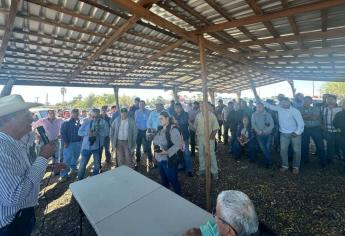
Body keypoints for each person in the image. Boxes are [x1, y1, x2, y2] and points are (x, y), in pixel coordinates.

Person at [0, 95, 64, 235]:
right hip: (10, 224)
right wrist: (42, 158)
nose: (32, 118)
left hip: (23, 215)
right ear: (7, 119)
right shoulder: (2, 148)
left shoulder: (15, 142)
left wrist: (47, 167)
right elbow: (14, 197)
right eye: (26, 114)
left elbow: (22, 173)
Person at [251, 82, 304, 174]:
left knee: (296, 150)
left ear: (289, 102)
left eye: (285, 102)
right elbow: (269, 106)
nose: (283, 104)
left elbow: (301, 124)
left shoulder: (295, 111)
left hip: (295, 134)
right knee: (283, 150)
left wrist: (297, 132)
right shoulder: (279, 108)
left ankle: (296, 166)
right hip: (283, 133)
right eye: (282, 102)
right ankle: (285, 165)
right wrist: (260, 99)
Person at [184, 190, 259, 236]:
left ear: (229, 232)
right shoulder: (246, 224)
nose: (214, 216)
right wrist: (201, 232)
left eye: (216, 214)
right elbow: (215, 229)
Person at [153, 111, 182, 195]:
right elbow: (156, 141)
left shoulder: (173, 129)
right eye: (159, 119)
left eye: (161, 119)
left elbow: (178, 145)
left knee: (173, 180)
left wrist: (166, 152)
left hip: (170, 160)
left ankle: (179, 198)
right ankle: (167, 196)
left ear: (167, 118)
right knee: (164, 180)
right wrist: (152, 137)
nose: (160, 120)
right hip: (161, 160)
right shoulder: (161, 129)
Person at [77, 108, 109, 180]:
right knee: (82, 165)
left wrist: (98, 133)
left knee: (97, 165)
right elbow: (79, 132)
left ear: (99, 115)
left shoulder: (103, 122)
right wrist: (87, 133)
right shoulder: (86, 122)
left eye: (96, 117)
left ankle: (95, 179)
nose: (94, 118)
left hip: (97, 148)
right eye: (92, 116)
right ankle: (79, 179)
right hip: (86, 148)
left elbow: (107, 133)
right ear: (90, 115)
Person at [193, 102, 219, 180]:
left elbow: (216, 127)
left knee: (211, 155)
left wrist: (211, 137)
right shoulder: (198, 116)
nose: (201, 107)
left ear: (207, 107)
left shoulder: (212, 115)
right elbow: (195, 127)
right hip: (200, 138)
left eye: (203, 105)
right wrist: (196, 136)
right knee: (201, 154)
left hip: (209, 138)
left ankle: (214, 172)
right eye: (200, 106)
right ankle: (202, 169)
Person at [300, 96, 326, 166]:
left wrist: (305, 116)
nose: (306, 102)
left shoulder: (316, 108)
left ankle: (322, 160)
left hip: (316, 128)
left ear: (311, 102)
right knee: (304, 145)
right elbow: (301, 117)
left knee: (319, 144)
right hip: (305, 129)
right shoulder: (300, 109)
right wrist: (310, 116)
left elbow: (316, 117)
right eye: (305, 101)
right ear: (303, 101)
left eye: (308, 101)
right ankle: (305, 160)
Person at [59, 108, 82, 181]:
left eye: (77, 113)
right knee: (67, 159)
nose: (76, 114)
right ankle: (63, 175)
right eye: (74, 113)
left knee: (76, 157)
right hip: (69, 143)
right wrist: (65, 142)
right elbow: (63, 133)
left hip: (78, 143)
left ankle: (74, 168)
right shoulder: (66, 122)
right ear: (71, 113)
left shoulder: (79, 122)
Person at [251, 102, 274, 167]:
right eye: (257, 107)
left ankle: (266, 161)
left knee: (267, 148)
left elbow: (272, 124)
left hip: (268, 134)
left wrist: (265, 130)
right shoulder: (254, 115)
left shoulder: (268, 114)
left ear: (263, 107)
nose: (258, 108)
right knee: (263, 148)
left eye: (260, 107)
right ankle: (269, 162)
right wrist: (258, 131)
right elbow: (253, 124)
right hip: (259, 134)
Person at [174, 102, 193, 177]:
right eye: (175, 108)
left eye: (178, 107)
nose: (177, 109)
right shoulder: (174, 115)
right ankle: (182, 165)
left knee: (186, 154)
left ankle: (189, 170)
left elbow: (184, 123)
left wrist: (177, 123)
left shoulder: (185, 114)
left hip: (184, 137)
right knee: (179, 153)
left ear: (181, 108)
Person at [322, 94, 342, 163]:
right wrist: (322, 127)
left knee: (338, 144)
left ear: (335, 100)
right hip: (327, 131)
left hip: (338, 131)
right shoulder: (323, 108)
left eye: (331, 99)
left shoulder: (340, 109)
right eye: (328, 100)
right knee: (329, 145)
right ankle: (330, 158)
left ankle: (339, 156)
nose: (330, 101)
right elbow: (321, 119)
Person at [134, 100, 153, 167]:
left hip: (146, 131)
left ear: (145, 105)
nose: (141, 105)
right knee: (138, 147)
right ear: (139, 105)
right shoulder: (136, 112)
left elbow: (150, 121)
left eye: (142, 104)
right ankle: (138, 161)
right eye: (140, 104)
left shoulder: (149, 111)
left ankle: (150, 161)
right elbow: (135, 122)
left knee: (148, 146)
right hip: (139, 131)